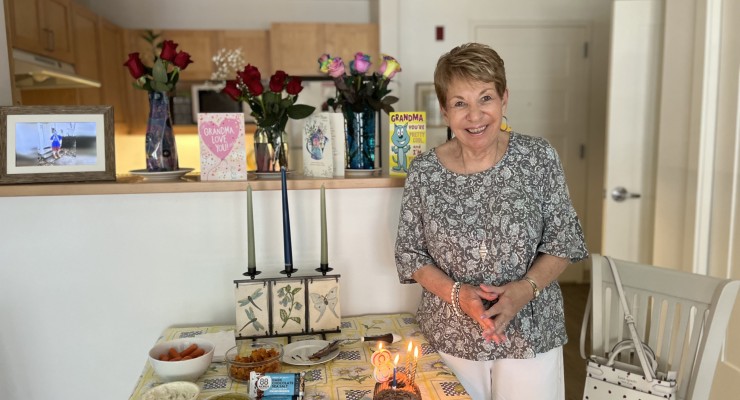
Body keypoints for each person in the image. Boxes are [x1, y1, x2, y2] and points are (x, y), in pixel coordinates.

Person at [394, 43, 588, 400]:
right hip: (451, 334)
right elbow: (410, 254)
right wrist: (458, 295)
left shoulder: (538, 157)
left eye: (485, 98)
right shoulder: (424, 172)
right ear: (444, 111)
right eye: (460, 103)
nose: (475, 115)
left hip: (532, 331)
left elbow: (564, 240)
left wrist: (522, 291)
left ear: (504, 99)